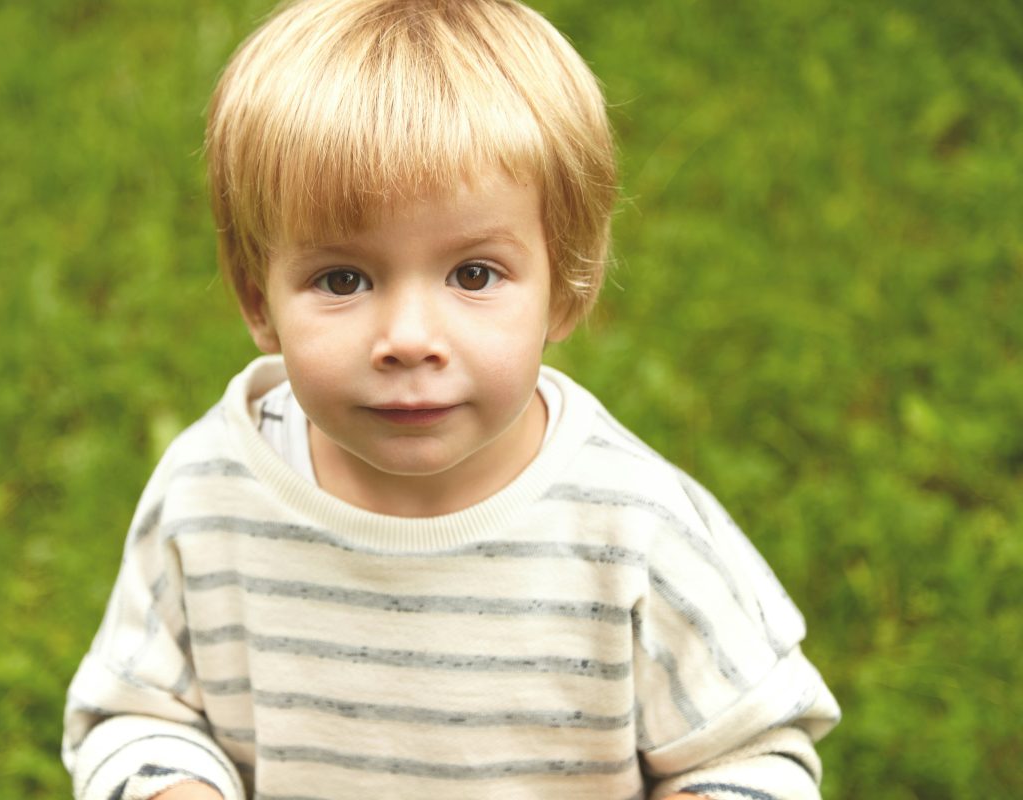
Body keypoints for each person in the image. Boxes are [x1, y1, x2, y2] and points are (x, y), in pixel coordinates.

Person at [62, 0, 841, 798]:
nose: (406, 337)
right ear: (257, 300)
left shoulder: (631, 526)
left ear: (566, 287)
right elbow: (135, 715)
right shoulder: (211, 492)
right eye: (343, 279)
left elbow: (749, 756)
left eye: (473, 275)